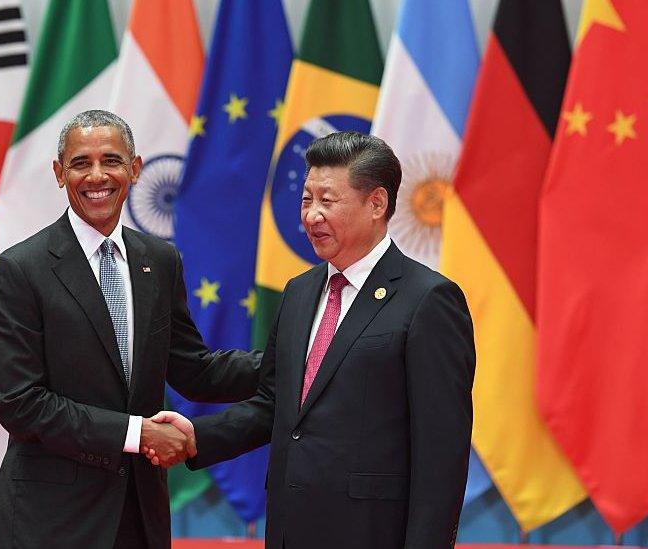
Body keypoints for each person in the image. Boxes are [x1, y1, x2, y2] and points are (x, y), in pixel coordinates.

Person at [148, 132, 476, 548]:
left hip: (372, 533)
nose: (312, 216)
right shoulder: (300, 292)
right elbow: (275, 404)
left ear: (376, 203)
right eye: (306, 200)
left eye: (327, 201)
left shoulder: (428, 300)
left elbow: (441, 454)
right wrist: (197, 436)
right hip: (290, 528)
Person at [0, 110, 260, 549]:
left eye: (111, 161)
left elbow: (194, 371)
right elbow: (19, 401)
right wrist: (137, 433)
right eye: (80, 163)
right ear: (59, 173)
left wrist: (294, 358)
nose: (97, 176)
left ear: (134, 169)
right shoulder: (19, 270)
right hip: (50, 521)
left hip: (139, 515)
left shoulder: (160, 260)